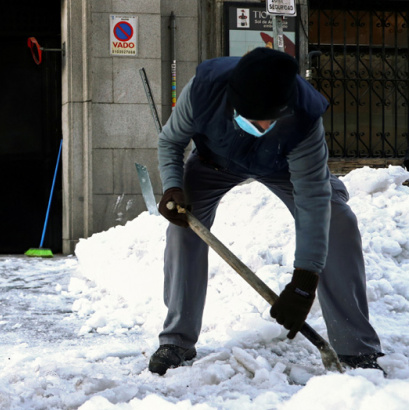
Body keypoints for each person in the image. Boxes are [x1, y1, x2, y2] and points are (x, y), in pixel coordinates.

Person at [149, 47, 385, 375]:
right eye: (252, 118)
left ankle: (356, 348)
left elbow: (313, 197)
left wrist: (304, 279)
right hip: (212, 162)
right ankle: (176, 340)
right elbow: (170, 142)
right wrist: (173, 185)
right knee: (183, 228)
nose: (260, 124)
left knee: (339, 220)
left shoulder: (304, 114)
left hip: (281, 165)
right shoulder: (203, 90)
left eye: (269, 118)